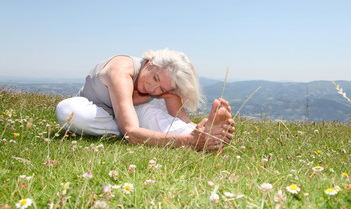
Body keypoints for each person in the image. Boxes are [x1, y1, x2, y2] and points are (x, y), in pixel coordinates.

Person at [56, 49, 235, 151]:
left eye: (162, 89)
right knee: (68, 111)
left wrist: (197, 130)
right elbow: (131, 132)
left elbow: (180, 118)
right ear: (151, 62)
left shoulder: (166, 83)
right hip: (94, 111)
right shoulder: (121, 70)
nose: (152, 89)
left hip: (129, 115)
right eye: (155, 79)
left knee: (150, 113)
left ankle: (211, 138)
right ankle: (192, 140)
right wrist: (188, 141)